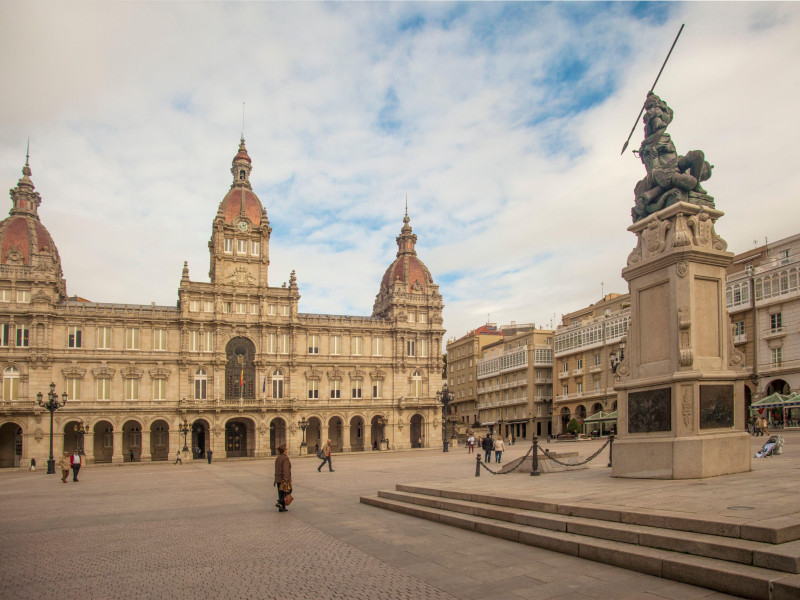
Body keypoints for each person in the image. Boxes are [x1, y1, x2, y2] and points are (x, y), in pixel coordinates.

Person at [274, 444, 292, 512]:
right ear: (284, 451)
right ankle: (279, 502)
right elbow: (285, 469)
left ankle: (282, 507)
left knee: (281, 493)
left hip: (278, 478)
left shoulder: (278, 457)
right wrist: (286, 479)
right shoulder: (285, 458)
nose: (287, 451)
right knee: (289, 491)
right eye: (286, 449)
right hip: (284, 479)